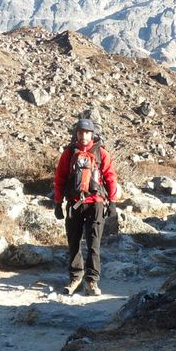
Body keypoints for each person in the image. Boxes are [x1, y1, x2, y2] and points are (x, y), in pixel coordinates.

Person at [53, 118, 119, 296]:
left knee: (93, 244)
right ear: (76, 133)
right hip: (74, 203)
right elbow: (59, 179)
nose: (83, 136)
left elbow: (111, 177)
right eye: (81, 132)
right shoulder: (68, 154)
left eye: (87, 132)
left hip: (95, 203)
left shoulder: (101, 153)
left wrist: (112, 202)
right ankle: (75, 277)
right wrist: (58, 203)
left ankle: (92, 281)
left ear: (92, 134)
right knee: (73, 242)